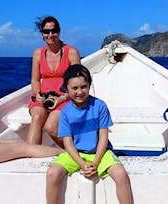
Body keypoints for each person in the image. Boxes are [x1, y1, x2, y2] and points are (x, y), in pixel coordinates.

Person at [46, 64, 133, 204]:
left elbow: (104, 137)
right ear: (66, 89)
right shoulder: (66, 112)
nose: (79, 92)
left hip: (100, 152)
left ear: (89, 85)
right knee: (52, 173)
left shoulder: (100, 106)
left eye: (83, 87)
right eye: (74, 88)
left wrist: (95, 162)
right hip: (76, 153)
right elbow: (67, 142)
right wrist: (81, 163)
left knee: (121, 175)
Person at [28, 16, 81, 146]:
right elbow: (35, 80)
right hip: (44, 98)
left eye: (54, 31)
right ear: (42, 34)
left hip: (65, 98)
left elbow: (79, 83)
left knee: (50, 127)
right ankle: (31, 157)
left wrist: (62, 98)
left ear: (59, 31)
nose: (50, 35)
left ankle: (77, 152)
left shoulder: (71, 53)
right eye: (46, 32)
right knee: (37, 117)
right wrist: (38, 94)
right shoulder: (38, 54)